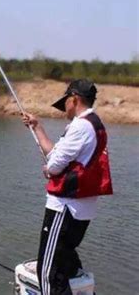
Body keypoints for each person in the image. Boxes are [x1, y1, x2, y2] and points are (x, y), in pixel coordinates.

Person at [22, 79, 113, 295]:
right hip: (81, 209)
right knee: (66, 264)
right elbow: (58, 154)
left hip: (64, 208)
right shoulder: (94, 123)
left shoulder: (80, 126)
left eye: (66, 102)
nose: (64, 107)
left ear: (75, 98)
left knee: (48, 272)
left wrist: (48, 170)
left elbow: (54, 165)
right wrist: (38, 128)